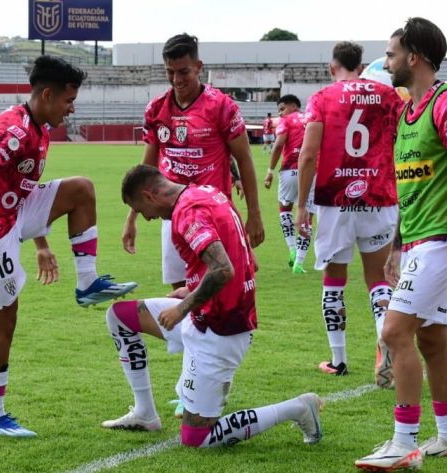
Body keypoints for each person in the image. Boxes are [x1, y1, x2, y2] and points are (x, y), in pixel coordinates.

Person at [0, 56, 138, 438]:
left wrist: (41, 240)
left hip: (14, 214)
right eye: (68, 100)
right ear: (47, 94)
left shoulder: (39, 126)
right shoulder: (13, 132)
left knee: (81, 189)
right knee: (4, 324)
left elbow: (22, 185)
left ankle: (87, 283)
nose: (72, 107)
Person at [102, 164, 323, 448]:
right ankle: (145, 414)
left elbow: (222, 270)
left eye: (142, 210)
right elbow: (248, 262)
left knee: (197, 438)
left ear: (149, 196)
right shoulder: (208, 193)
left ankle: (299, 408)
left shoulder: (187, 212)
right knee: (121, 317)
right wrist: (192, 287)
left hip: (220, 327)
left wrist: (183, 307)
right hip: (204, 312)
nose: (146, 218)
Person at [355, 18, 447, 470]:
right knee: (432, 341)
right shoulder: (410, 113)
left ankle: (403, 443)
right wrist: (396, 246)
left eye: (391, 54)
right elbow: (412, 190)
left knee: (393, 333)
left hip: (443, 243)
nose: (386, 63)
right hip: (418, 242)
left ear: (414, 57)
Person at [122, 33, 264, 290]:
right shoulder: (156, 110)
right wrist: (132, 217)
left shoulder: (222, 107)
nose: (177, 79)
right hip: (172, 214)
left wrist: (254, 214)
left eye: (183, 71)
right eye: (170, 72)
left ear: (199, 67)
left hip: (215, 214)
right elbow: (147, 171)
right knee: (179, 291)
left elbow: (244, 159)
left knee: (226, 288)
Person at [296, 41, 402, 386]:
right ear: (361, 65)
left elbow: (309, 155)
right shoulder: (387, 95)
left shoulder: (324, 98)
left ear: (333, 67)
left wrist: (301, 205)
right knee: (378, 280)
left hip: (335, 201)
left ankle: (339, 360)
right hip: (379, 196)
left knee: (334, 281)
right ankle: (385, 339)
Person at [264, 94, 316, 273]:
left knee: (284, 210)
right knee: (308, 217)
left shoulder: (286, 121)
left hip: (289, 171)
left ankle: (292, 249)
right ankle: (299, 263)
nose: (281, 113)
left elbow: (278, 145)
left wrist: (270, 171)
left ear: (294, 106)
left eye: (282, 108)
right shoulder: (312, 118)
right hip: (312, 171)